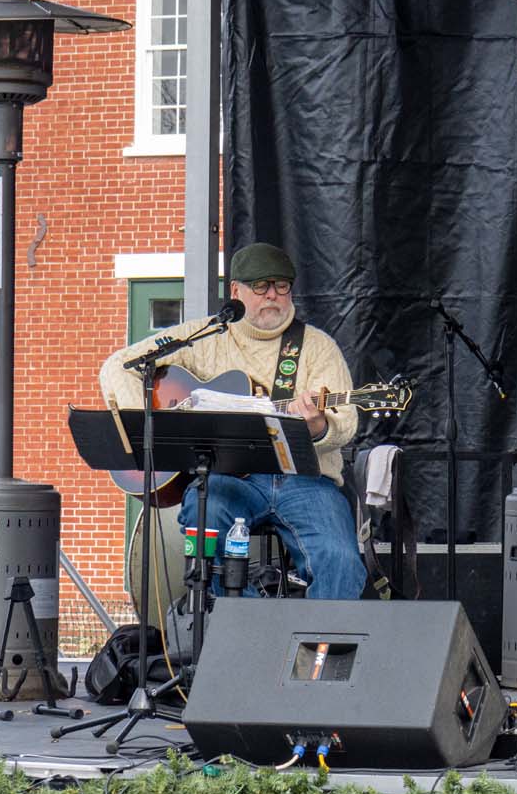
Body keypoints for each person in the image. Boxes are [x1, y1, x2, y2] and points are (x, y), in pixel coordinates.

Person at [101, 242, 366, 600]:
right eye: (260, 286)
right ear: (236, 291)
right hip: (229, 479)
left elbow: (346, 422)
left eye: (281, 285)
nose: (271, 295)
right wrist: (153, 430)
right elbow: (119, 365)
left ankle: (322, 650)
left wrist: (317, 427)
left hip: (306, 480)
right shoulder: (204, 337)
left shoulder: (318, 348)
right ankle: (242, 631)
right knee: (203, 524)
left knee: (340, 561)